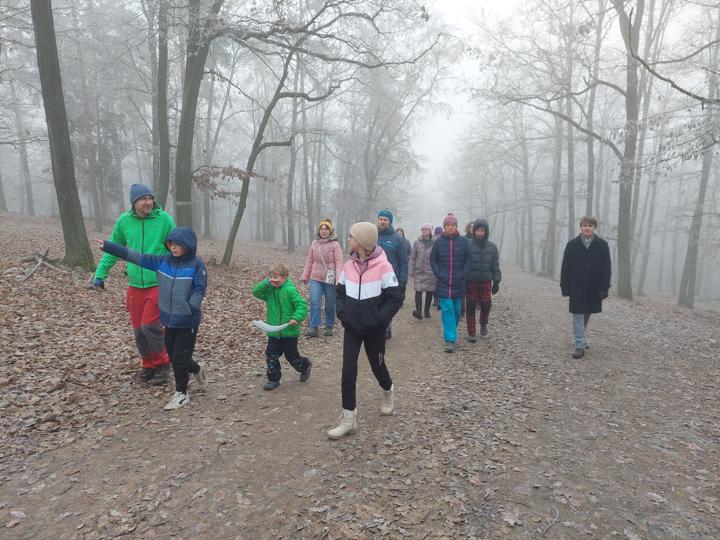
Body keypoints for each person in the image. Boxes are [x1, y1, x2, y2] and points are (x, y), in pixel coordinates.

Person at [99, 227, 209, 410]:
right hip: (168, 318)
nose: (173, 247)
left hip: (187, 320)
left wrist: (190, 306)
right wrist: (110, 247)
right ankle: (198, 369)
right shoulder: (162, 262)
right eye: (171, 244)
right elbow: (136, 257)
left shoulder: (197, 265)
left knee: (179, 357)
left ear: (188, 246)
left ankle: (182, 393)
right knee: (174, 355)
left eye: (178, 244)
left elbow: (199, 289)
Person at [93, 184, 176, 385]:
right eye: (143, 199)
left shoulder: (164, 220)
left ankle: (163, 364)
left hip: (158, 282)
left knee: (150, 326)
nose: (148, 202)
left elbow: (178, 245)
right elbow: (114, 249)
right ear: (134, 202)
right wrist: (100, 274)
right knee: (139, 330)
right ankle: (149, 364)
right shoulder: (124, 221)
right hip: (135, 285)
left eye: (150, 198)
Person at [328, 222, 403, 439]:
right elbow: (340, 292)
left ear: (362, 242)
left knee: (377, 366)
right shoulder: (348, 265)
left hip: (374, 330)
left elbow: (395, 299)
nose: (348, 239)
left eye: (351, 236)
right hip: (352, 327)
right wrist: (343, 315)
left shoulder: (384, 266)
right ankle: (348, 418)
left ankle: (388, 390)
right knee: (348, 371)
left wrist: (379, 320)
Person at [252, 264, 312, 390]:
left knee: (292, 358)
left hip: (289, 332)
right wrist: (267, 283)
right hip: (274, 332)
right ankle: (273, 379)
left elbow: (301, 305)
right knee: (271, 355)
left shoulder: (290, 290)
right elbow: (256, 292)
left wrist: (296, 318)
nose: (273, 280)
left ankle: (305, 365)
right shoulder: (269, 291)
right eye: (271, 277)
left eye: (276, 277)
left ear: (284, 277)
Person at [560, 216, 611, 359]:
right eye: (584, 225)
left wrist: (605, 287)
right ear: (580, 227)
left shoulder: (602, 245)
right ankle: (580, 346)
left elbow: (607, 268)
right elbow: (565, 266)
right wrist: (564, 285)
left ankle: (580, 337)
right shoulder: (572, 245)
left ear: (594, 227)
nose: (587, 228)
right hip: (576, 286)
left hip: (594, 287)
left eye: (590, 226)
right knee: (577, 314)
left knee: (587, 312)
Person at [430, 213, 471, 353]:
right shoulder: (438, 242)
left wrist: (463, 274)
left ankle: (451, 331)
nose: (450, 227)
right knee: (447, 310)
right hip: (444, 282)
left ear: (456, 226)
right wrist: (439, 274)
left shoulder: (464, 241)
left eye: (453, 225)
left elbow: (468, 260)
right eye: (448, 225)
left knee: (457, 311)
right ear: (444, 227)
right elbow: (433, 260)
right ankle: (450, 339)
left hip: (459, 282)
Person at [301, 218, 344, 337]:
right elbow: (310, 260)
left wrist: (339, 279)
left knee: (330, 304)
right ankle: (313, 327)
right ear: (319, 231)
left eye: (326, 229)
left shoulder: (335, 245)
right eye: (322, 229)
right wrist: (305, 275)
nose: (324, 231)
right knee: (315, 302)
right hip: (315, 278)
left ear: (330, 231)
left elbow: (339, 263)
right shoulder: (314, 244)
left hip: (330, 279)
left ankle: (329, 326)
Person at [465, 218, 502, 342]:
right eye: (478, 230)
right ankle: (471, 332)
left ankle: (483, 323)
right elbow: (462, 263)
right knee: (470, 307)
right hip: (471, 281)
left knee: (486, 305)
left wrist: (496, 281)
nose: (480, 233)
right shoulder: (467, 245)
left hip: (486, 281)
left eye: (482, 231)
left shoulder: (492, 247)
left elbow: (495, 266)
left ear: (486, 232)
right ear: (474, 231)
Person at [376, 209, 408, 339]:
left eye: (385, 220)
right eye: (381, 219)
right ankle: (378, 329)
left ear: (390, 222)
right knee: (375, 304)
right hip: (373, 278)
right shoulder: (373, 235)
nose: (382, 222)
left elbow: (403, 261)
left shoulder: (397, 239)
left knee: (387, 306)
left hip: (391, 279)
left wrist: (402, 281)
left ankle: (386, 329)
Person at [409, 223, 436, 320]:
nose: (424, 230)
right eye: (422, 229)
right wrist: (411, 270)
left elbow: (437, 257)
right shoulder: (417, 242)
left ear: (430, 231)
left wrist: (436, 270)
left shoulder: (435, 243)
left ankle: (426, 311)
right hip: (419, 271)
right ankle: (419, 311)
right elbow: (412, 257)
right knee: (418, 291)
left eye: (426, 229)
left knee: (429, 292)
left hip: (431, 272)